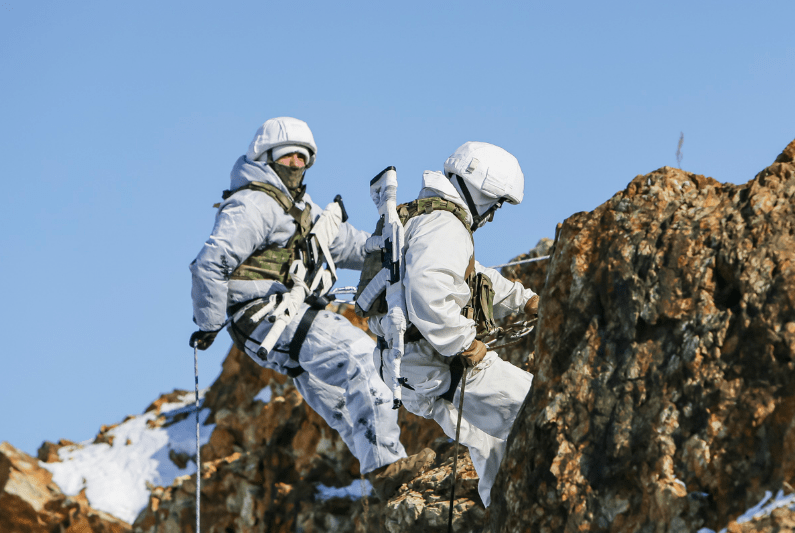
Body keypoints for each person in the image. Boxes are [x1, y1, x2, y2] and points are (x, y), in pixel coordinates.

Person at [189, 117, 408, 478]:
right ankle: (389, 469)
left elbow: (347, 245)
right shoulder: (252, 204)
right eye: (287, 155)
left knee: (342, 405)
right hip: (268, 316)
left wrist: (394, 249)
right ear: (265, 157)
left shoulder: (299, 209)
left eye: (302, 158)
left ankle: (384, 484)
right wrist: (209, 323)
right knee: (363, 360)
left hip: (278, 322)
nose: (295, 163)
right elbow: (210, 264)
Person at [364, 141, 538, 506]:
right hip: (441, 363)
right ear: (479, 189)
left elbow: (471, 278)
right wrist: (467, 346)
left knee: (491, 446)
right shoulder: (445, 225)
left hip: (411, 367)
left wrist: (524, 300)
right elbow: (429, 292)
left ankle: (501, 516)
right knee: (540, 406)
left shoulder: (426, 217)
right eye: (495, 203)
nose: (493, 215)